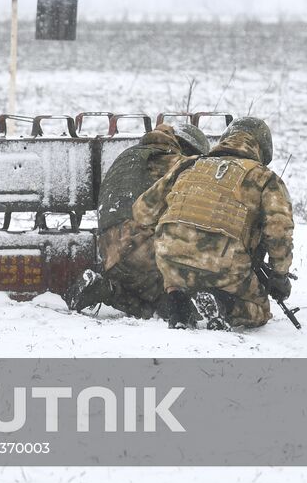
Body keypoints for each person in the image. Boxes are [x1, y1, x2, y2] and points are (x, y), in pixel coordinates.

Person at [130, 117, 295, 330]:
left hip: (169, 259)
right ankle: (221, 302)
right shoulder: (265, 178)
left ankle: (179, 304)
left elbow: (142, 212)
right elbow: (279, 232)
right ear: (262, 149)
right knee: (258, 311)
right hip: (224, 263)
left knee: (179, 274)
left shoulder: (189, 163)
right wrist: (279, 275)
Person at [65, 122, 209, 317]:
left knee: (146, 298)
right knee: (179, 301)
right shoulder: (175, 163)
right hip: (142, 247)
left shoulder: (127, 157)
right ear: (188, 148)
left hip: (109, 252)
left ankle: (106, 289)